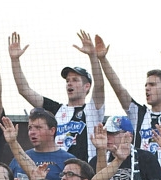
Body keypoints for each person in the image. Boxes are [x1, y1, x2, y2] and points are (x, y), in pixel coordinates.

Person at [8, 31, 105, 162]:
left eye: (75, 80)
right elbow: (24, 90)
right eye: (67, 80)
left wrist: (93, 56)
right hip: (59, 169)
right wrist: (15, 60)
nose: (70, 83)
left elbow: (99, 86)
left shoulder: (92, 110)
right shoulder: (57, 109)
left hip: (85, 171)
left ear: (86, 86)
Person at [96, 35, 161, 167]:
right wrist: (103, 59)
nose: (147, 88)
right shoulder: (139, 113)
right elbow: (119, 90)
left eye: (152, 85)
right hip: (142, 177)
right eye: (146, 85)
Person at [6, 109, 73, 180]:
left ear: (52, 130)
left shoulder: (68, 160)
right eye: (30, 128)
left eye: (38, 128)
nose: (32, 132)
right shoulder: (18, 159)